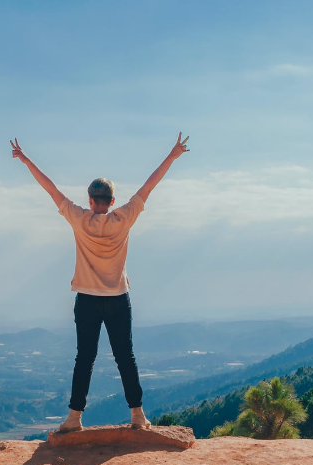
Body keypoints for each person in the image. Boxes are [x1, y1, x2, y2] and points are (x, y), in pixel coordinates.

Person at [10, 133, 191, 432]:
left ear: (90, 200)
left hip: (87, 299)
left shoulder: (79, 219)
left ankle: (74, 418)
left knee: (85, 358)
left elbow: (51, 189)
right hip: (119, 297)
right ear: (113, 201)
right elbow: (149, 185)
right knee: (125, 357)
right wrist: (172, 155)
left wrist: (26, 160)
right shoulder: (125, 217)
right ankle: (137, 416)